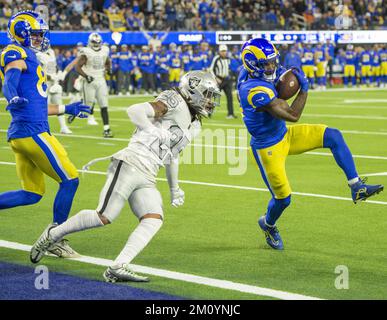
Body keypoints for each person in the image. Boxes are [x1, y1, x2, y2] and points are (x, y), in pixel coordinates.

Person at [30, 71, 221, 282]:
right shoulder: (173, 99)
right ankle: (53, 234)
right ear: (191, 91)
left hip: (149, 173)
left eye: (211, 96)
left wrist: (174, 188)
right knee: (104, 216)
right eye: (206, 94)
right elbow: (135, 110)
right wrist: (151, 129)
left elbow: (172, 156)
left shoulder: (194, 124)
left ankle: (118, 266)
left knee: (153, 218)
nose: (210, 101)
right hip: (131, 162)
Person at [237, 38, 384, 250]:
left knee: (333, 135)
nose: (271, 67)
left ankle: (356, 187)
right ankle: (268, 224)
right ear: (252, 64)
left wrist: (289, 74)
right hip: (268, 148)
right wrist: (303, 89)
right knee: (283, 199)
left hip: (284, 135)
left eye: (272, 61)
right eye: (266, 64)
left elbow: (278, 79)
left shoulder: (249, 72)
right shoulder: (252, 90)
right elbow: (293, 114)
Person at [0, 11, 92, 258]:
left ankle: (54, 238)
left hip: (23, 132)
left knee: (31, 194)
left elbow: (38, 104)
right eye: (36, 33)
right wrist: (11, 96)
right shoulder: (15, 52)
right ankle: (54, 239)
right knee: (70, 180)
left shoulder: (29, 55)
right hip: (32, 131)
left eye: (41, 34)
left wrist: (67, 108)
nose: (40, 38)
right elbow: (10, 78)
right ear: (21, 33)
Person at [75, 33, 113, 138]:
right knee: (88, 105)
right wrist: (86, 76)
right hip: (90, 81)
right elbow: (77, 67)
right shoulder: (86, 52)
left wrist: (109, 70)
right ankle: (74, 113)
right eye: (94, 42)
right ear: (89, 42)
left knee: (104, 104)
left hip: (101, 79)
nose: (96, 44)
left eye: (97, 42)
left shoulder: (105, 50)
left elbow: (107, 61)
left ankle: (106, 129)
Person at [36, 47, 72, 134]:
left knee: (59, 105)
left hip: (54, 83)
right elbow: (37, 70)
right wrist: (49, 76)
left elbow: (54, 64)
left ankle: (63, 127)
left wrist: (59, 72)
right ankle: (41, 128)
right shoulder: (37, 54)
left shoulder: (51, 51)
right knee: (44, 107)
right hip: (44, 84)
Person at [210, 44, 235, 119]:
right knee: (214, 97)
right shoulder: (216, 58)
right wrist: (216, 78)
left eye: (225, 51)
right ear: (219, 52)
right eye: (222, 51)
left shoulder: (228, 59)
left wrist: (230, 75)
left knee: (230, 97)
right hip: (219, 80)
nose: (224, 52)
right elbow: (211, 69)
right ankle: (209, 112)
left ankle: (231, 114)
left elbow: (229, 68)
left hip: (226, 80)